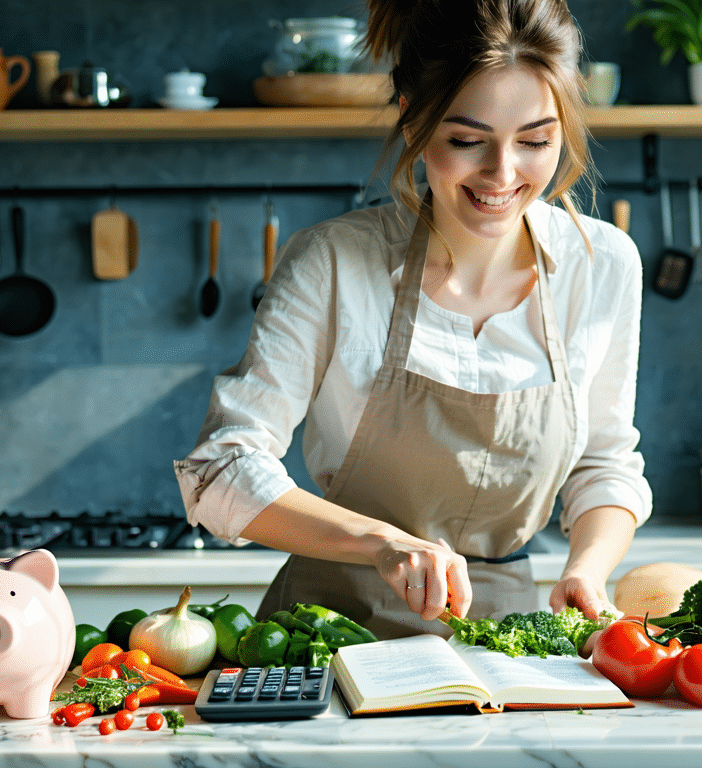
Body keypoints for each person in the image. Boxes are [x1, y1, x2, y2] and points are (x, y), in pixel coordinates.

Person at [174, 0, 652, 641]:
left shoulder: (604, 265)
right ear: (413, 120)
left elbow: (604, 462)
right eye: (467, 141)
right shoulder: (335, 262)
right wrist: (381, 543)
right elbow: (221, 467)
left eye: (536, 140)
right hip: (325, 635)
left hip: (508, 645)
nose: (503, 174)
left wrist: (587, 570)